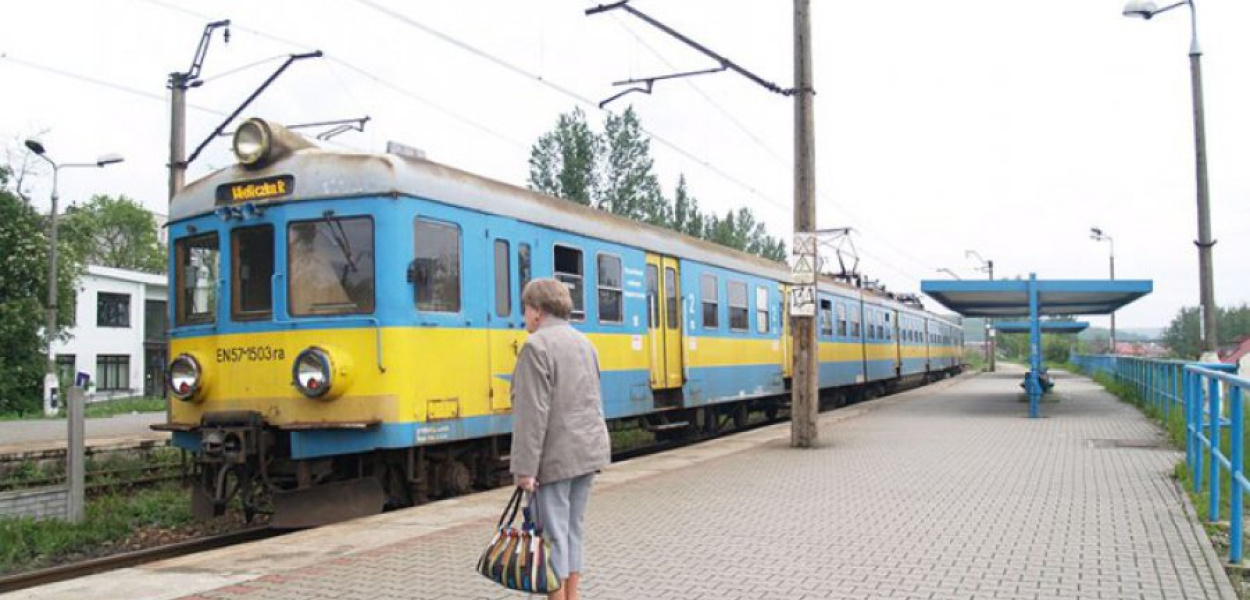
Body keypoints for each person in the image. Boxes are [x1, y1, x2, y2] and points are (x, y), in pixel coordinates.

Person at [510, 278, 611, 600]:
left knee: (551, 536)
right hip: (587, 453)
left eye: (525, 309)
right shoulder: (585, 343)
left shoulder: (536, 346)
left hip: (553, 458)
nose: (523, 316)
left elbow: (532, 413)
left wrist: (525, 470)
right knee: (572, 531)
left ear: (538, 311)